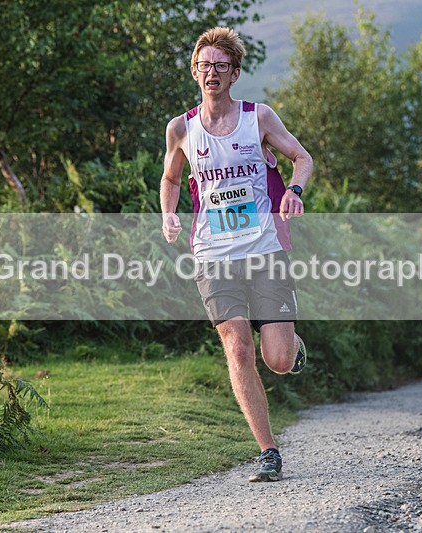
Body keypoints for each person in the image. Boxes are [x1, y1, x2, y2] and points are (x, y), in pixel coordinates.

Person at [160, 27, 313, 483]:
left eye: (220, 66)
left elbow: (300, 158)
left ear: (235, 73)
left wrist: (295, 190)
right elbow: (170, 179)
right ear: (194, 72)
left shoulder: (258, 118)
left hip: (265, 247)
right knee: (238, 346)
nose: (212, 73)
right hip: (212, 252)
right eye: (204, 65)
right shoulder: (180, 129)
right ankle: (268, 451)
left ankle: (292, 347)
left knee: (278, 360)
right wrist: (168, 215)